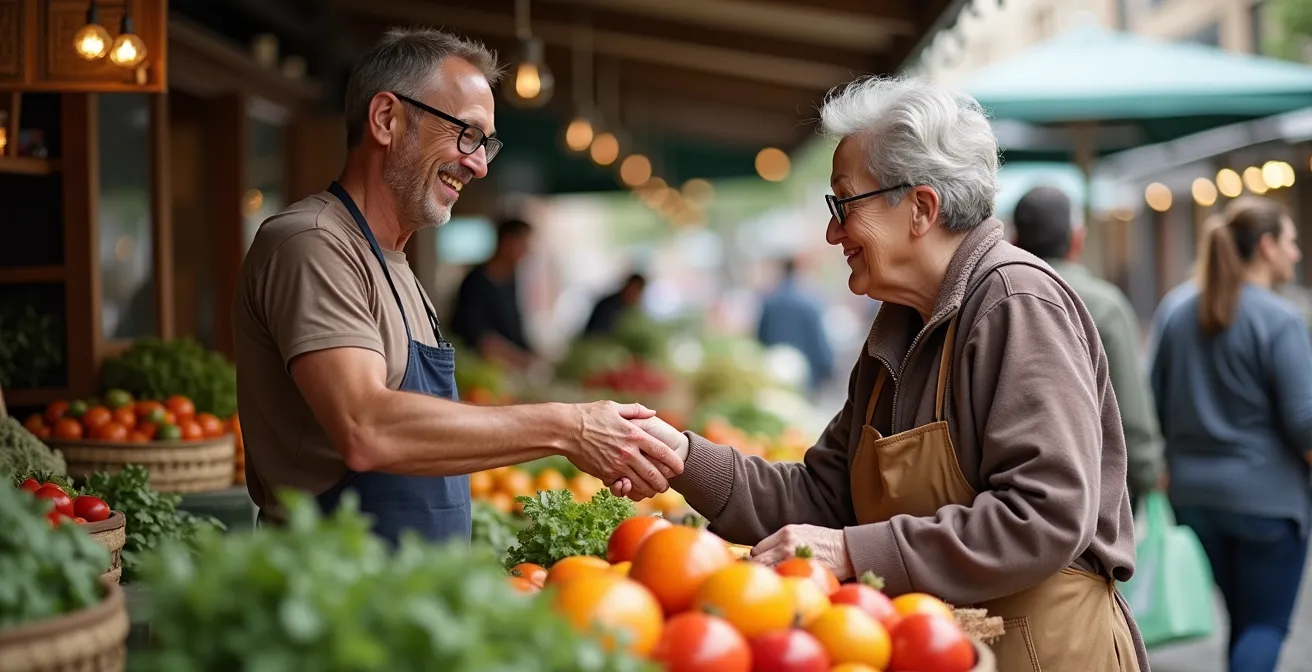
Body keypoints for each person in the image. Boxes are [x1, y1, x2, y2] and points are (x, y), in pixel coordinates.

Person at [632, 76, 1147, 672]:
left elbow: (1044, 516)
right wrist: (681, 457)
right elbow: (823, 498)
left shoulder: (1016, 302)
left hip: (1046, 652)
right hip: (950, 646)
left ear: (921, 209)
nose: (832, 232)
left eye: (842, 204)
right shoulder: (898, 328)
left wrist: (853, 551)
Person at [232, 28, 680, 547]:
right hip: (336, 596)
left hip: (413, 590)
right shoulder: (312, 243)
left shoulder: (396, 262)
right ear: (386, 119)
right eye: (466, 134)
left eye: (486, 143)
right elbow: (365, 426)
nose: (480, 163)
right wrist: (568, 427)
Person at [1150, 196, 1312, 672]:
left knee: (1243, 622)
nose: (1297, 253)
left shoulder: (1175, 309)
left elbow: (1153, 400)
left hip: (1194, 500)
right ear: (1266, 246)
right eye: (1291, 241)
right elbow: (1304, 423)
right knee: (1266, 626)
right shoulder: (1280, 320)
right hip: (1267, 502)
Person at [1012, 185, 1165, 508]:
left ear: (1015, 240)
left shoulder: (997, 298)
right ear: (1077, 239)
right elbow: (1131, 410)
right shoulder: (1105, 306)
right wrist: (1148, 473)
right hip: (1099, 494)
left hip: (1010, 491)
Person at [449, 218, 537, 370]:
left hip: (509, 369)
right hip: (479, 369)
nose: (526, 251)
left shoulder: (511, 279)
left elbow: (514, 329)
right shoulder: (475, 283)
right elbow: (478, 337)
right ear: (506, 242)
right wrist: (520, 360)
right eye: (522, 243)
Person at [756, 258, 835, 391]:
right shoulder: (808, 303)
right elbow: (818, 341)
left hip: (773, 371)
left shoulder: (769, 303)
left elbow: (760, 338)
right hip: (804, 374)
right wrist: (828, 367)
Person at [582, 273, 646, 336]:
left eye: (637, 292)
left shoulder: (630, 309)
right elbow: (599, 333)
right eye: (633, 289)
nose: (634, 295)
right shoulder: (608, 306)